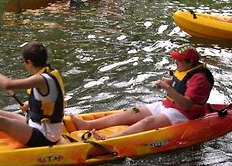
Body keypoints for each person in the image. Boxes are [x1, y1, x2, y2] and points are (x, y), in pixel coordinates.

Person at [71, 45, 214, 140]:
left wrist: (168, 88)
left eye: (178, 59)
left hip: (185, 114)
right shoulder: (186, 68)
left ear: (189, 62)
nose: (174, 61)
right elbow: (182, 84)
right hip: (170, 105)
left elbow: (187, 105)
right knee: (133, 112)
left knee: (148, 121)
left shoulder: (200, 79)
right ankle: (87, 125)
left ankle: (112, 139)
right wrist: (171, 82)